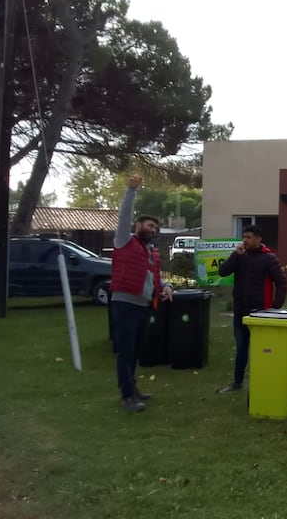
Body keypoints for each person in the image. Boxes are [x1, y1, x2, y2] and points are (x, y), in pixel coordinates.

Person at [110, 174, 173, 412]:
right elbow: (124, 215)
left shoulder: (151, 251)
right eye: (149, 225)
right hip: (125, 305)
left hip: (144, 306)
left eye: (155, 227)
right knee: (126, 351)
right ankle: (127, 396)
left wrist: (167, 287)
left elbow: (155, 277)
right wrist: (131, 190)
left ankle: (133, 389)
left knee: (135, 351)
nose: (152, 229)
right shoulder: (124, 240)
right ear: (137, 226)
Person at [217, 224, 287, 393]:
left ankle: (264, 380)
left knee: (263, 349)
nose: (245, 240)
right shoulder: (240, 256)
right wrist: (235, 255)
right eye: (244, 237)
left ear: (258, 239)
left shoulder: (269, 258)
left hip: (261, 312)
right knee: (241, 348)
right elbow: (222, 272)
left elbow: (281, 282)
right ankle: (237, 382)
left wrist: (275, 306)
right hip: (241, 310)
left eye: (249, 237)